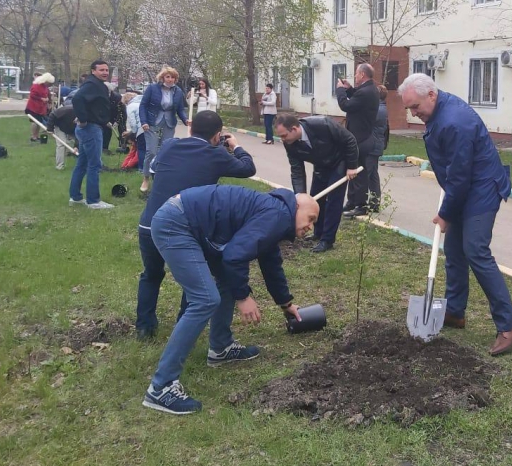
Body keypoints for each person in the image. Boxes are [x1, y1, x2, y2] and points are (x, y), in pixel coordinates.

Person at [142, 184, 319, 415]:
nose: (310, 226)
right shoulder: (278, 215)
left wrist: (286, 303)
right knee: (205, 299)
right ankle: (161, 388)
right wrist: (243, 297)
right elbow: (235, 256)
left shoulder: (276, 213)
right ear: (296, 207)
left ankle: (221, 347)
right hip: (176, 224)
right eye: (310, 218)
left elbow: (271, 264)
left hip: (185, 220)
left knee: (225, 281)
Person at [398, 73, 512, 356]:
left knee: (475, 250)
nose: (413, 113)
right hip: (464, 186)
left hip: (482, 188)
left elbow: (460, 176)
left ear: (431, 95)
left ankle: (508, 326)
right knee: (454, 250)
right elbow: (453, 172)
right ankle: (455, 311)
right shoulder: (438, 113)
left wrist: (445, 214)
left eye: (415, 106)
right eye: (409, 108)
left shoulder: (455, 122)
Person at [135, 110, 257, 340]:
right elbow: (247, 168)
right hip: (184, 229)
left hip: (149, 225)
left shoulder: (170, 146)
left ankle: (144, 327)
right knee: (192, 278)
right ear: (217, 135)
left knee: (151, 274)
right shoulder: (216, 154)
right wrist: (235, 146)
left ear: (190, 129)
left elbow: (154, 169)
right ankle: (184, 325)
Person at [274, 113, 359, 253]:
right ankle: (318, 233)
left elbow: (349, 140)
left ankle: (327, 240)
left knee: (333, 201)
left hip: (339, 162)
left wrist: (351, 166)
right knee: (315, 199)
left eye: (284, 135)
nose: (282, 139)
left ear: (294, 129)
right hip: (320, 166)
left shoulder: (323, 124)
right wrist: (300, 196)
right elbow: (297, 169)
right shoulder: (289, 143)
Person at [69, 60, 114, 209]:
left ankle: (75, 197)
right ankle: (93, 201)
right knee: (94, 164)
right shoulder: (92, 84)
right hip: (90, 128)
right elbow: (77, 99)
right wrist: (82, 119)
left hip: (92, 127)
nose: (105, 72)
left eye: (106, 70)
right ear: (93, 71)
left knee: (82, 163)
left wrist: (103, 120)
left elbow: (94, 105)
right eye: (101, 70)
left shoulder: (98, 85)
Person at [336, 63, 380, 218]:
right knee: (353, 170)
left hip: (360, 138)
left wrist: (340, 90)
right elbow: (358, 99)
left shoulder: (366, 92)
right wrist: (349, 89)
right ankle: (352, 201)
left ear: (362, 74)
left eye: (356, 73)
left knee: (359, 173)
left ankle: (360, 205)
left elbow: (346, 105)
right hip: (361, 136)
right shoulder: (370, 89)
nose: (355, 76)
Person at [139, 67, 189, 193]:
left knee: (166, 150)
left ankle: (160, 178)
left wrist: (185, 120)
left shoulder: (178, 91)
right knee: (151, 151)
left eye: (173, 77)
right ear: (162, 78)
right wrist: (144, 121)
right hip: (152, 121)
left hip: (169, 122)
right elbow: (143, 105)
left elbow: (180, 109)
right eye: (168, 77)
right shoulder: (152, 88)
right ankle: (146, 178)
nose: (170, 79)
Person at [363, 83, 389, 214]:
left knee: (368, 174)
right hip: (376, 145)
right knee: (372, 174)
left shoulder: (378, 109)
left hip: (373, 146)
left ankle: (367, 202)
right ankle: (374, 203)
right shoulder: (381, 107)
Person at [46, 100, 77, 171]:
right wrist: (50, 128)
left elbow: (79, 136)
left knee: (76, 144)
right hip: (59, 126)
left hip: (72, 129)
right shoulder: (67, 110)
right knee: (61, 145)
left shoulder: (84, 116)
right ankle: (59, 166)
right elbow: (52, 115)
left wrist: (76, 146)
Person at [26, 72, 54, 142]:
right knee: (34, 122)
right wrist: (41, 99)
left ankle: (36, 136)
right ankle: (33, 137)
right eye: (49, 83)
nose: (50, 85)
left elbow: (48, 94)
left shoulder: (45, 87)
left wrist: (49, 101)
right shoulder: (36, 85)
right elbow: (32, 95)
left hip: (40, 108)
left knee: (39, 122)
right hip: (33, 107)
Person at [124, 92, 146, 172]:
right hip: (149, 128)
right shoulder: (143, 103)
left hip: (140, 129)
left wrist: (133, 133)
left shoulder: (131, 106)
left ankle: (140, 168)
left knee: (141, 149)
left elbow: (132, 122)